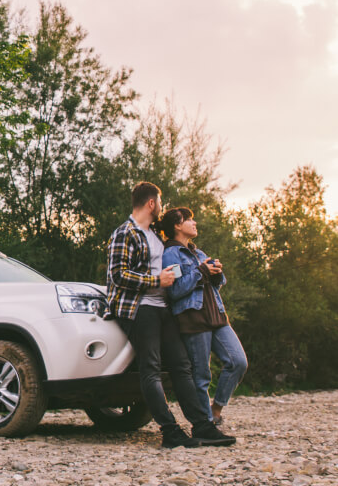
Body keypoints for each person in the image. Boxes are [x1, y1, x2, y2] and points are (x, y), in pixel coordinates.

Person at [106, 181, 235, 448]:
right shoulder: (125, 233)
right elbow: (117, 275)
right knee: (150, 369)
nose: (163, 208)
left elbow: (172, 269)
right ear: (151, 203)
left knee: (182, 366)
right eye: (160, 202)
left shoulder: (154, 233)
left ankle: (202, 426)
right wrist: (156, 280)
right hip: (139, 308)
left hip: (163, 308)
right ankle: (170, 431)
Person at [159, 207, 248, 426]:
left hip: (216, 315)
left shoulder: (198, 252)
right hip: (194, 318)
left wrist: (217, 272)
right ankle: (205, 424)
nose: (194, 222)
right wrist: (201, 272)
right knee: (201, 376)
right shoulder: (171, 254)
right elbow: (175, 290)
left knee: (238, 362)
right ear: (177, 226)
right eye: (188, 219)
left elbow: (215, 285)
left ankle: (215, 409)